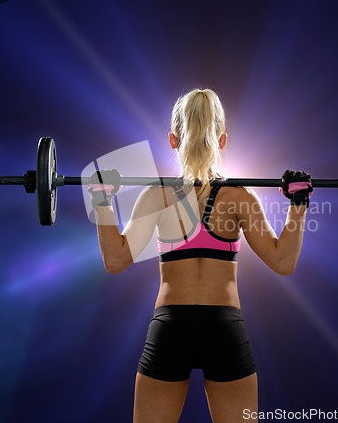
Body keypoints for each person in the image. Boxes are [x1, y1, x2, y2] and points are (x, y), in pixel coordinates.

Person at [88, 88, 312, 423]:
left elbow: (115, 260)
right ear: (222, 140)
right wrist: (298, 205)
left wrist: (102, 199)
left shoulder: (158, 195)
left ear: (172, 139)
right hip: (223, 329)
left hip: (170, 327)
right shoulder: (240, 197)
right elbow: (283, 263)